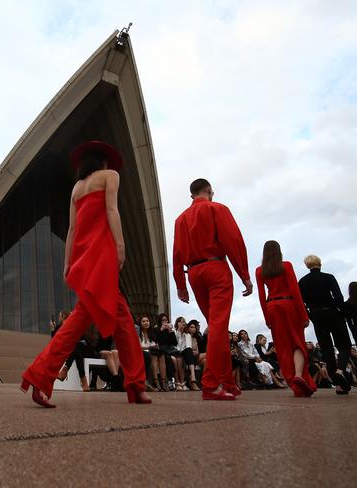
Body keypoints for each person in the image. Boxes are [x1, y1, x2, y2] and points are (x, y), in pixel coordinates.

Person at [21, 141, 150, 407]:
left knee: (100, 317)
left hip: (83, 257)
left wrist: (68, 263)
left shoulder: (77, 188)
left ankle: (42, 375)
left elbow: (71, 230)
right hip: (102, 254)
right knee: (117, 320)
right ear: (103, 162)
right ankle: (135, 384)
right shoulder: (110, 176)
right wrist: (121, 244)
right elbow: (112, 210)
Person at [172, 178, 252, 400]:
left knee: (216, 326)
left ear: (191, 196)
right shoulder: (217, 208)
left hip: (194, 274)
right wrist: (244, 275)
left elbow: (177, 254)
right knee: (218, 325)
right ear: (209, 191)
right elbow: (233, 241)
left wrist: (180, 285)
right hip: (215, 267)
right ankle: (211, 383)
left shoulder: (180, 220)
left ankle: (227, 381)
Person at [255, 241, 316, 396]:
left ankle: (294, 383)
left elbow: (262, 297)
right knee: (298, 342)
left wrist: (267, 318)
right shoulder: (286, 266)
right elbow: (295, 291)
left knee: (283, 347)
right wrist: (304, 314)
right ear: (278, 251)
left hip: (272, 307)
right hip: (289, 304)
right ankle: (298, 376)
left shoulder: (260, 271)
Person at [298, 255, 352, 394]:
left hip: (316, 315)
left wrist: (309, 315)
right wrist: (343, 312)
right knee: (344, 344)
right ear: (320, 263)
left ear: (307, 265)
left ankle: (338, 384)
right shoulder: (328, 277)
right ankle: (340, 370)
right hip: (332, 312)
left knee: (326, 347)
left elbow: (301, 302)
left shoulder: (303, 281)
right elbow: (338, 296)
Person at [174, 316, 200, 391]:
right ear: (177, 323)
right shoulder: (174, 332)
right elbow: (176, 345)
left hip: (185, 352)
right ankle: (190, 378)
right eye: (181, 321)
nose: (183, 323)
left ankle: (192, 376)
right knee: (187, 354)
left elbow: (188, 346)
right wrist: (179, 331)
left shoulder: (187, 334)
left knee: (189, 350)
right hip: (176, 351)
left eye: (184, 322)